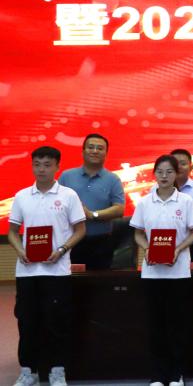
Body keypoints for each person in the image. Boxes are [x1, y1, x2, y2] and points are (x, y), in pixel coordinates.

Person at [8, 146, 86, 386]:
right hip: (27, 271)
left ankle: (57, 371)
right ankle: (28, 371)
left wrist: (62, 249)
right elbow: (12, 232)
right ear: (32, 166)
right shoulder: (22, 196)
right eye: (37, 164)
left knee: (57, 322)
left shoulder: (69, 195)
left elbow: (80, 230)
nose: (41, 169)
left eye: (47, 165)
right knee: (27, 321)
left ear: (57, 167)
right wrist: (20, 251)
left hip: (57, 271)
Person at [130, 155, 193, 386]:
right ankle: (157, 375)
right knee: (156, 325)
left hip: (178, 272)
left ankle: (176, 374)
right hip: (152, 273)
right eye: (160, 172)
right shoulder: (144, 202)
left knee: (177, 324)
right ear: (154, 174)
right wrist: (148, 248)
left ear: (176, 174)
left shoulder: (185, 201)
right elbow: (138, 233)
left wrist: (178, 249)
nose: (164, 176)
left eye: (169, 172)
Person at [57, 133, 125, 270]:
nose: (95, 151)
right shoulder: (67, 176)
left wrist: (92, 215)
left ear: (106, 153)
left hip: (100, 242)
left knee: (99, 281)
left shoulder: (113, 179)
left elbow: (119, 209)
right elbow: (55, 204)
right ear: (83, 151)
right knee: (70, 280)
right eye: (90, 147)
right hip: (70, 241)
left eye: (100, 148)